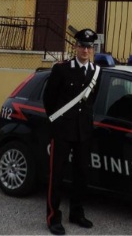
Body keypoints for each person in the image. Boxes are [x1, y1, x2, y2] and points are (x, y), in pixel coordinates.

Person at [43, 28, 101, 235]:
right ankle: (53, 217)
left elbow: (91, 101)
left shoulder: (96, 71)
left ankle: (76, 213)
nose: (85, 50)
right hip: (62, 130)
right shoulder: (62, 69)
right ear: (75, 47)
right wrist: (58, 122)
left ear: (93, 49)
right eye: (82, 46)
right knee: (57, 175)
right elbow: (49, 99)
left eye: (89, 47)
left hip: (83, 132)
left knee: (81, 174)